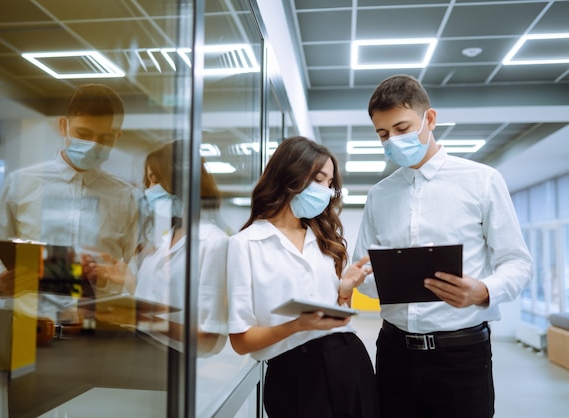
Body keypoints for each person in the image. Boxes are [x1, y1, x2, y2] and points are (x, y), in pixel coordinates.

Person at [352, 74, 533, 418]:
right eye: (383, 135)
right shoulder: (379, 196)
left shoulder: (482, 181)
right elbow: (365, 269)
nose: (393, 140)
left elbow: (519, 263)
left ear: (429, 119)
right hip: (393, 353)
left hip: (460, 357)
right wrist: (372, 279)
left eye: (402, 128)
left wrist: (482, 291)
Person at [227, 136, 379, 418]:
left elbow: (335, 313)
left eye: (330, 184)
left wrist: (344, 289)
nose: (326, 190)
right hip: (293, 376)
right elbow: (241, 340)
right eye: (319, 179)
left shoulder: (324, 240)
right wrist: (297, 325)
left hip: (349, 360)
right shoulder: (245, 244)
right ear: (289, 175)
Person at [0, 83, 140, 322]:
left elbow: (139, 268)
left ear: (117, 137)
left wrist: (118, 278)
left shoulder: (127, 197)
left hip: (99, 328)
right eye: (83, 134)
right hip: (30, 326)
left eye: (105, 138)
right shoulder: (21, 183)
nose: (93, 144)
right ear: (63, 126)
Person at [86, 141, 229, 356]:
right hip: (144, 355)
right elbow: (161, 301)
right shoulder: (165, 240)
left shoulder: (213, 243)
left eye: (156, 180)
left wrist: (140, 317)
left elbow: (209, 340)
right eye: (148, 180)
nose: (149, 190)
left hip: (183, 368)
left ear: (180, 183)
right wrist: (129, 280)